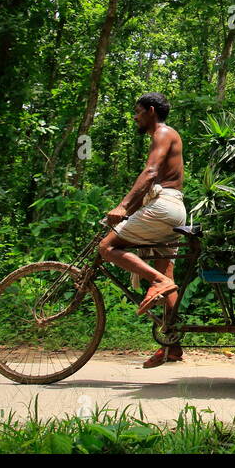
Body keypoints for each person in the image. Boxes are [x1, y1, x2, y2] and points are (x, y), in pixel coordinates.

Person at [99, 92, 186, 368]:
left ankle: (157, 282)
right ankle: (172, 347)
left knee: (107, 248)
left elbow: (150, 173)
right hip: (173, 209)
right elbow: (150, 183)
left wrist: (123, 207)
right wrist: (128, 208)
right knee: (167, 277)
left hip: (163, 208)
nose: (135, 117)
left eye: (137, 112)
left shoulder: (163, 132)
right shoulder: (165, 135)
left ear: (150, 110)